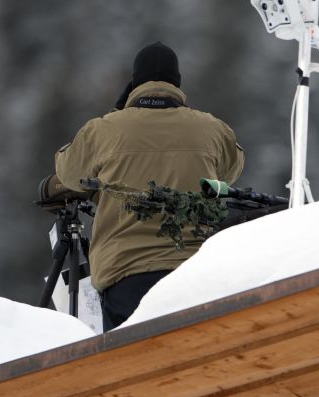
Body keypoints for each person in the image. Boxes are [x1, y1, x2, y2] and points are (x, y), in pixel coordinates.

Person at [55, 42, 244, 331]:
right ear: (177, 83)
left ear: (134, 83)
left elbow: (68, 172)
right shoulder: (212, 128)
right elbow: (230, 172)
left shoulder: (105, 128)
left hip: (126, 274)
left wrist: (118, 114)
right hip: (195, 270)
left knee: (131, 366)